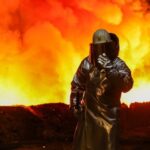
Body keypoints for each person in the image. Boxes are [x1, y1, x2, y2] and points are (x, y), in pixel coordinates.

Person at [69, 29, 133, 150]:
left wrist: (111, 70)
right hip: (88, 117)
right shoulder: (87, 64)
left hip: (110, 118)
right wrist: (76, 106)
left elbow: (127, 85)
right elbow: (77, 84)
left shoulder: (118, 64)